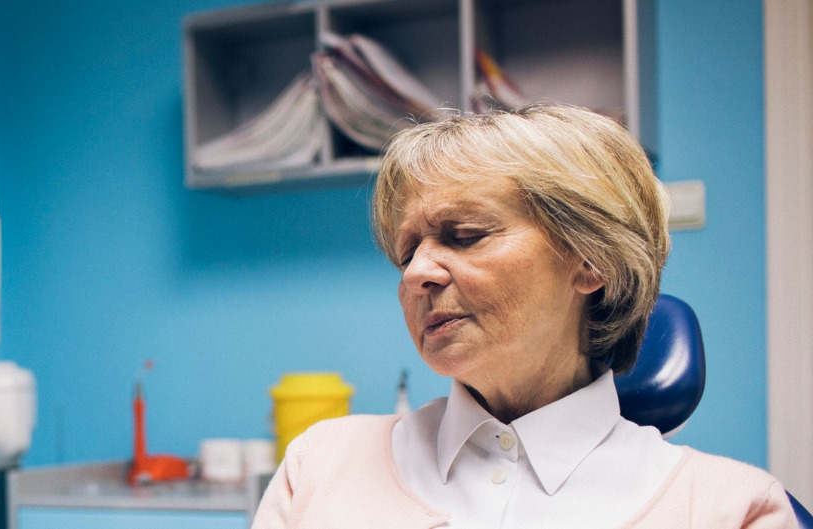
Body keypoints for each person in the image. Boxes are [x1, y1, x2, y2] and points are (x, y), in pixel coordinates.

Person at [251, 104, 794, 528]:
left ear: (590, 260)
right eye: (405, 253)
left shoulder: (728, 509)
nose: (416, 274)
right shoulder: (320, 464)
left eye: (464, 237)